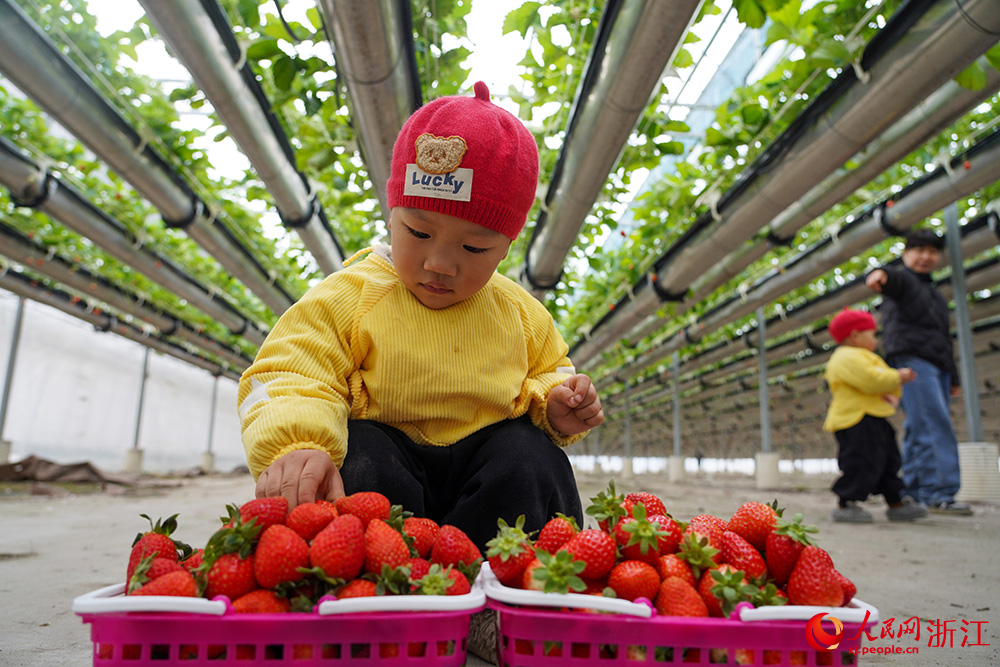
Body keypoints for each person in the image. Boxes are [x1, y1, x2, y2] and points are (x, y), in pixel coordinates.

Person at [237, 81, 603, 551]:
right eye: (417, 232)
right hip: (389, 492)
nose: (439, 264)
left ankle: (505, 596)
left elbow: (550, 372)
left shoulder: (519, 313)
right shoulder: (350, 297)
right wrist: (299, 444)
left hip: (490, 497)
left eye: (474, 247)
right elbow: (292, 371)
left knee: (531, 457)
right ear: (392, 214)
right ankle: (387, 599)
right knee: (359, 452)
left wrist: (557, 404)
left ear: (507, 246)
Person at [866, 229, 972, 516]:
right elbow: (892, 279)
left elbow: (941, 337)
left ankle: (911, 490)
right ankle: (939, 492)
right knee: (932, 424)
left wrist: (953, 377)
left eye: (933, 251)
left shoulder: (935, 295)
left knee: (918, 427)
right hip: (913, 362)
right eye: (919, 249)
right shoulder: (905, 282)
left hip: (937, 366)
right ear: (906, 253)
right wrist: (880, 274)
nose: (926, 256)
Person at [823, 308, 927, 523]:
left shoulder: (861, 356)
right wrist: (897, 377)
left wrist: (888, 392)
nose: (875, 339)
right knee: (861, 460)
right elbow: (871, 379)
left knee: (888, 458)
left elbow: (873, 383)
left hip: (871, 417)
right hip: (856, 419)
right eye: (872, 333)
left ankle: (895, 500)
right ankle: (846, 502)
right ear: (855, 335)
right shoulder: (845, 357)